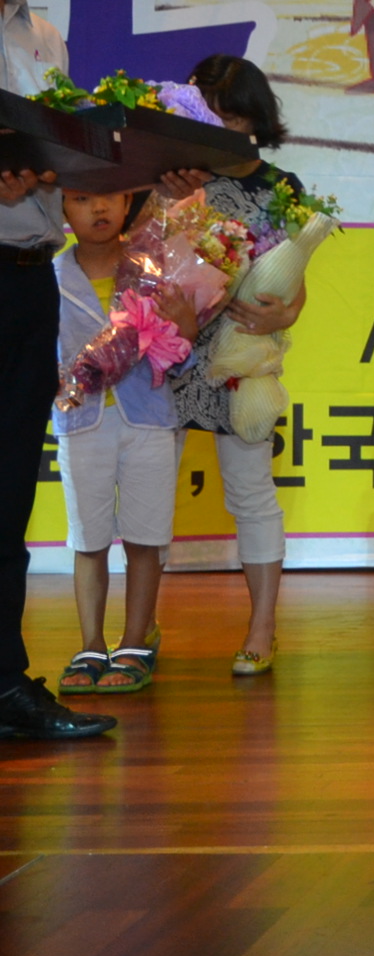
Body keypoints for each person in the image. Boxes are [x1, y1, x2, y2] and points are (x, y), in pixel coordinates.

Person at [0, 0, 118, 740]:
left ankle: (6, 683)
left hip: (26, 279)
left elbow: (68, 153)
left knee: (9, 490)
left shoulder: (40, 34)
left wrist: (144, 171)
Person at [167, 56, 313, 673]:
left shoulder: (283, 187)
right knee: (148, 493)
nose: (222, 129)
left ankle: (262, 627)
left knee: (252, 493)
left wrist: (287, 312)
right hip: (168, 351)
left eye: (233, 118)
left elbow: (293, 280)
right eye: (210, 116)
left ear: (257, 119)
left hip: (242, 352)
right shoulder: (172, 176)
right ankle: (138, 628)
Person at [54, 189, 188, 696]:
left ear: (129, 200)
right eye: (82, 198)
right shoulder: (47, 276)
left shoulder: (151, 269)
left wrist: (186, 323)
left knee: (145, 538)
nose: (98, 208)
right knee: (87, 540)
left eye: (109, 196)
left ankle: (135, 642)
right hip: (80, 422)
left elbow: (182, 350)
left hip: (148, 417)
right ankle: (91, 645)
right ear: (61, 207)